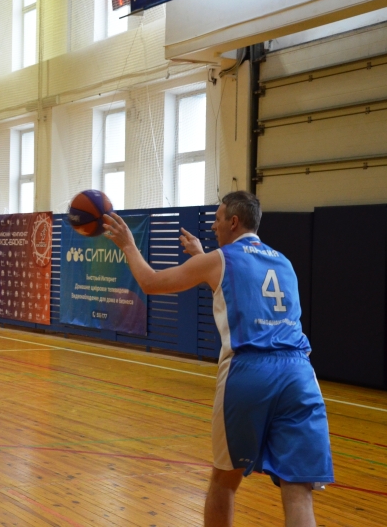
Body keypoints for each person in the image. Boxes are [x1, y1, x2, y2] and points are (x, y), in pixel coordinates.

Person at [102, 191, 333, 527]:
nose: (213, 225)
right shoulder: (283, 262)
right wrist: (202, 256)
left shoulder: (219, 260)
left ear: (233, 222)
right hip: (300, 374)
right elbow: (238, 286)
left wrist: (128, 245)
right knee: (298, 490)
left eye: (218, 218)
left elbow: (150, 282)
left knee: (225, 480)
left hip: (250, 371)